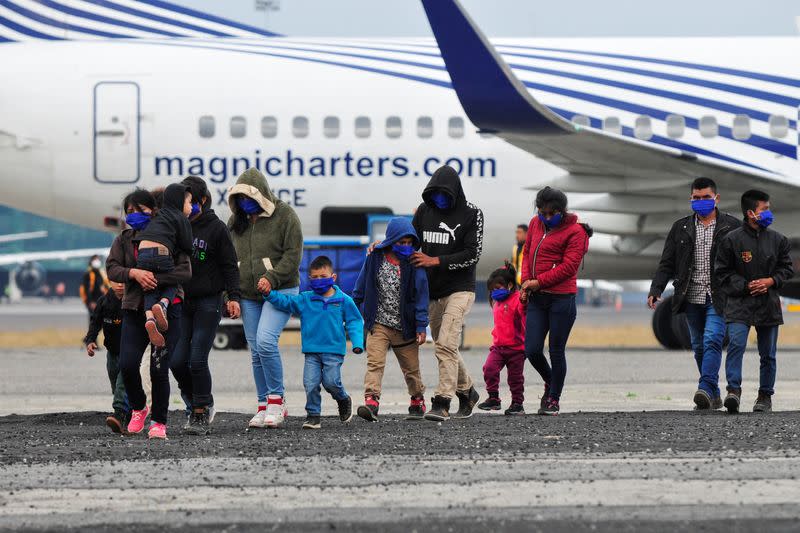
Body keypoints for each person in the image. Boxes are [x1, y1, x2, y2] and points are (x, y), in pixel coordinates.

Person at [647, 177, 740, 410]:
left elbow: (743, 263)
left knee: (712, 340)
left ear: (716, 198)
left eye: (706, 198)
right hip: (690, 296)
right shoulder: (681, 228)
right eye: (696, 198)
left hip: (718, 297)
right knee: (698, 346)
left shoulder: (732, 226)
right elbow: (666, 263)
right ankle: (714, 394)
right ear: (691, 199)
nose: (701, 202)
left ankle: (705, 388)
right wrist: (656, 289)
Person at [106, 188, 192, 440]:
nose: (133, 215)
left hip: (168, 310)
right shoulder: (123, 239)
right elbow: (112, 268)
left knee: (158, 368)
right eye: (128, 212)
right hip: (133, 308)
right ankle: (139, 407)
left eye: (138, 210)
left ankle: (159, 422)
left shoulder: (170, 233)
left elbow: (184, 272)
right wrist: (134, 274)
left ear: (153, 209)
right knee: (127, 364)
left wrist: (153, 277)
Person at [228, 167, 303, 429]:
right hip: (247, 295)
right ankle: (262, 405)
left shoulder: (285, 216)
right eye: (239, 199)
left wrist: (271, 278)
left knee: (266, 341)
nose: (244, 203)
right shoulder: (235, 222)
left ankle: (277, 401)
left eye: (249, 198)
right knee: (256, 351)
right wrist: (231, 295)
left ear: (262, 195)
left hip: (280, 290)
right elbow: (228, 262)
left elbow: (293, 256)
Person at [409, 164, 483, 422]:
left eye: (444, 195)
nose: (439, 200)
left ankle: (442, 401)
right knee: (445, 345)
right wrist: (384, 246)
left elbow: (472, 254)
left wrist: (435, 261)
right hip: (432, 291)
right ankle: (468, 391)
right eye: (435, 195)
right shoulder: (423, 211)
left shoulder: (472, 214)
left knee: (445, 346)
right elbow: (411, 241)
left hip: (460, 289)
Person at [170, 176, 241, 435]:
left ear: (202, 200)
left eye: (190, 200)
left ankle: (200, 412)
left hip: (208, 301)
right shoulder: (177, 226)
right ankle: (197, 401)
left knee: (197, 360)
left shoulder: (217, 229)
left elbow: (230, 266)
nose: (187, 206)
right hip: (182, 301)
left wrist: (233, 297)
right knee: (177, 361)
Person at [715, 189, 793, 414]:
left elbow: (786, 269)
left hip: (768, 305)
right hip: (740, 304)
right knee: (736, 346)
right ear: (751, 213)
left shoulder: (779, 240)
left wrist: (770, 281)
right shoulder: (731, 240)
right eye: (765, 209)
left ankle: (765, 396)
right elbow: (722, 272)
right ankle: (733, 392)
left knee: (768, 354)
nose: (769, 213)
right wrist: (746, 285)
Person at [264, 255, 364, 430]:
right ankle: (313, 416)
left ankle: (342, 398)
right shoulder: (305, 299)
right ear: (310, 278)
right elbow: (286, 302)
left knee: (331, 382)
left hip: (334, 351)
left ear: (333, 278)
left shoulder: (343, 300)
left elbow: (354, 321)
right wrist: (269, 294)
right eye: (315, 277)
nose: (319, 280)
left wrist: (357, 342)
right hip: (311, 352)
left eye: (323, 277)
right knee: (310, 383)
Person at [520, 186, 591, 416]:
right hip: (537, 297)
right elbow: (527, 252)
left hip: (562, 299)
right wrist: (525, 281)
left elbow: (569, 267)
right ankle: (552, 382)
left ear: (562, 211)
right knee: (531, 349)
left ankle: (553, 398)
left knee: (556, 350)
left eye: (552, 214)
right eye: (543, 213)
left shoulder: (576, 232)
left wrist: (538, 282)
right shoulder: (534, 224)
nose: (547, 218)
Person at [352, 217, 429, 422]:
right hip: (378, 323)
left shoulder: (415, 264)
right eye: (400, 242)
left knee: (411, 369)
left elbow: (421, 296)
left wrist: (421, 325)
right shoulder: (375, 257)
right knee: (374, 363)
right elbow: (360, 287)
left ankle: (417, 400)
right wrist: (359, 311)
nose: (405, 247)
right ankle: (371, 401)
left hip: (405, 326)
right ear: (391, 241)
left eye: (408, 243)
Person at [132, 183, 194, 347]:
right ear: (180, 203)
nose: (191, 207)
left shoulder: (157, 215)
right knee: (171, 281)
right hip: (161, 252)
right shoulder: (180, 218)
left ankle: (150, 317)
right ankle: (163, 304)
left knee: (149, 286)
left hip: (143, 252)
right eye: (189, 203)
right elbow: (187, 245)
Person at [477, 263, 526, 415]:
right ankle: (494, 399)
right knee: (489, 369)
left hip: (516, 348)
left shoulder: (517, 299)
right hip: (498, 347)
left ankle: (517, 403)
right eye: (492, 289)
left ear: (510, 285)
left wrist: (524, 301)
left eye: (498, 288)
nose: (495, 292)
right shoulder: (496, 301)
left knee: (515, 378)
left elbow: (522, 311)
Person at [84, 281, 127, 434]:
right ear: (110, 282)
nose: (121, 285)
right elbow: (95, 323)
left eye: (124, 282)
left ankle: (119, 412)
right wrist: (90, 341)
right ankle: (125, 414)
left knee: (124, 381)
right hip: (112, 351)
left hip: (130, 352)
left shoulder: (134, 300)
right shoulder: (104, 301)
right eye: (117, 282)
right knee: (115, 381)